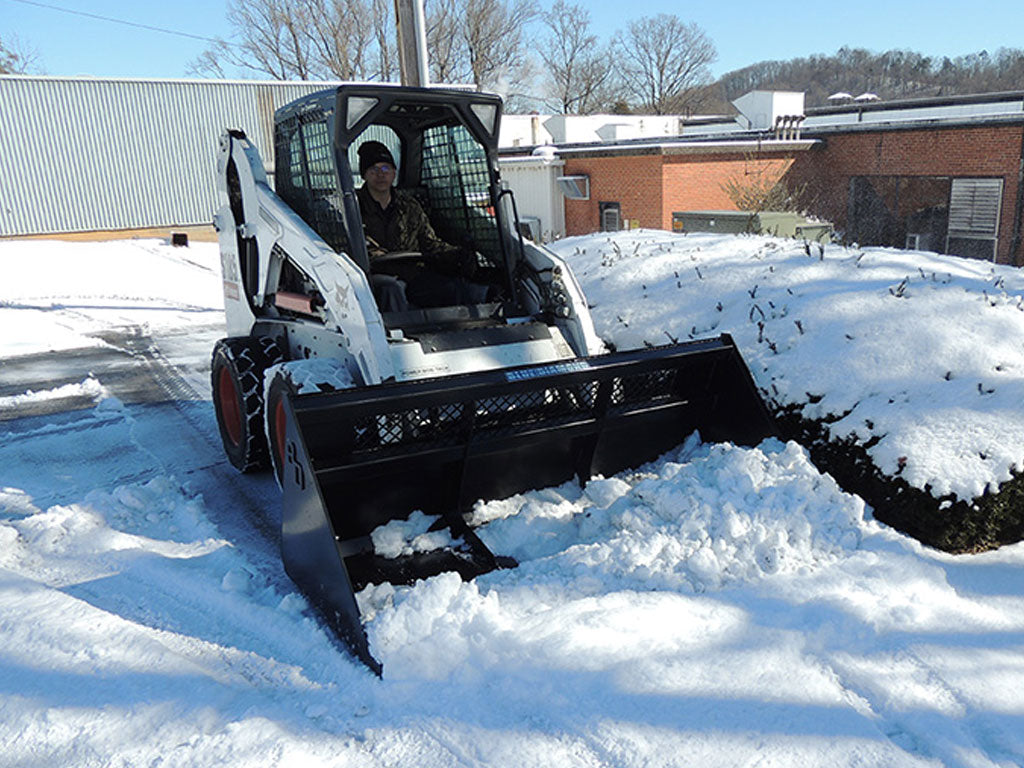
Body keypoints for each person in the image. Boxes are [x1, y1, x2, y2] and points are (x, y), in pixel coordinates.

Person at [355, 141, 486, 311]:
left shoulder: (410, 206)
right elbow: (356, 250)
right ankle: (399, 328)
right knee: (392, 289)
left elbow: (429, 242)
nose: (381, 174)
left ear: (394, 173)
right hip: (373, 276)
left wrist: (455, 254)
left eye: (386, 168)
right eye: (373, 169)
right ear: (364, 175)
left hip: (412, 272)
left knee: (454, 288)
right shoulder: (354, 208)